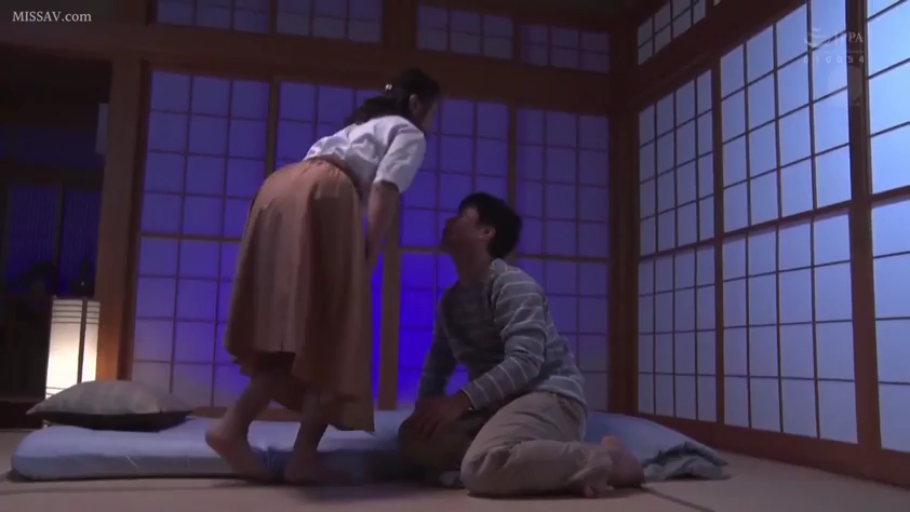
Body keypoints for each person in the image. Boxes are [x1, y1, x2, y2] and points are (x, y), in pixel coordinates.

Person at [205, 68, 441, 484]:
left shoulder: (357, 128)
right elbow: (385, 187)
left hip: (281, 188)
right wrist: (370, 250)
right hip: (325, 194)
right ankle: (293, 453)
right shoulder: (408, 132)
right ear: (417, 104)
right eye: (433, 113)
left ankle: (239, 429)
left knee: (302, 331)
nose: (431, 123)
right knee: (333, 330)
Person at [397, 192, 644, 497]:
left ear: (485, 232)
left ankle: (610, 459)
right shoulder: (451, 301)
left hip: (548, 396)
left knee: (481, 468)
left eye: (461, 216)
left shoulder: (513, 284)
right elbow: (438, 364)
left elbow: (525, 362)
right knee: (413, 438)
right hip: (495, 408)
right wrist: (425, 408)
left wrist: (459, 401)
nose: (449, 221)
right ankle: (537, 463)